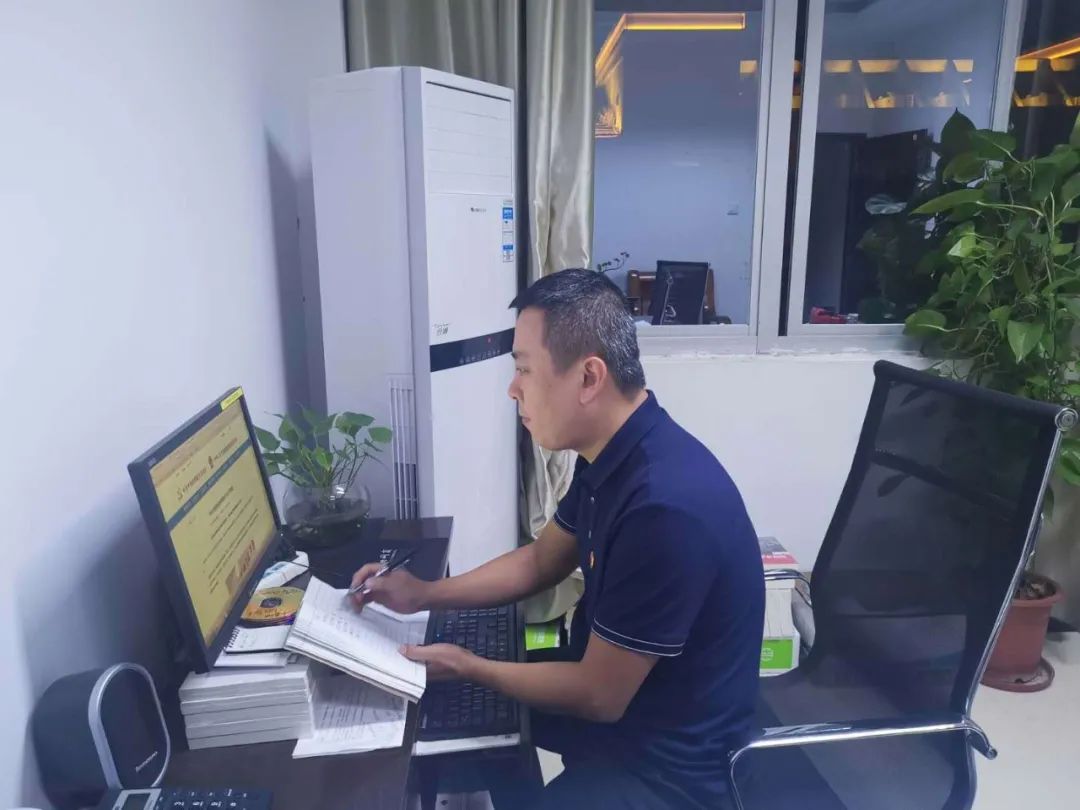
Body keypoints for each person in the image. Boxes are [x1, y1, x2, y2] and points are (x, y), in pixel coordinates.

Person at [351, 269, 764, 809]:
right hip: (626, 718)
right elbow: (540, 561)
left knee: (468, 697)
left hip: (667, 774)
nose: (513, 388)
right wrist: (423, 594)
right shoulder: (613, 454)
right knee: (459, 719)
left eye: (524, 368)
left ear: (589, 378)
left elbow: (599, 696)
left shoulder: (663, 508)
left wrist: (471, 665)